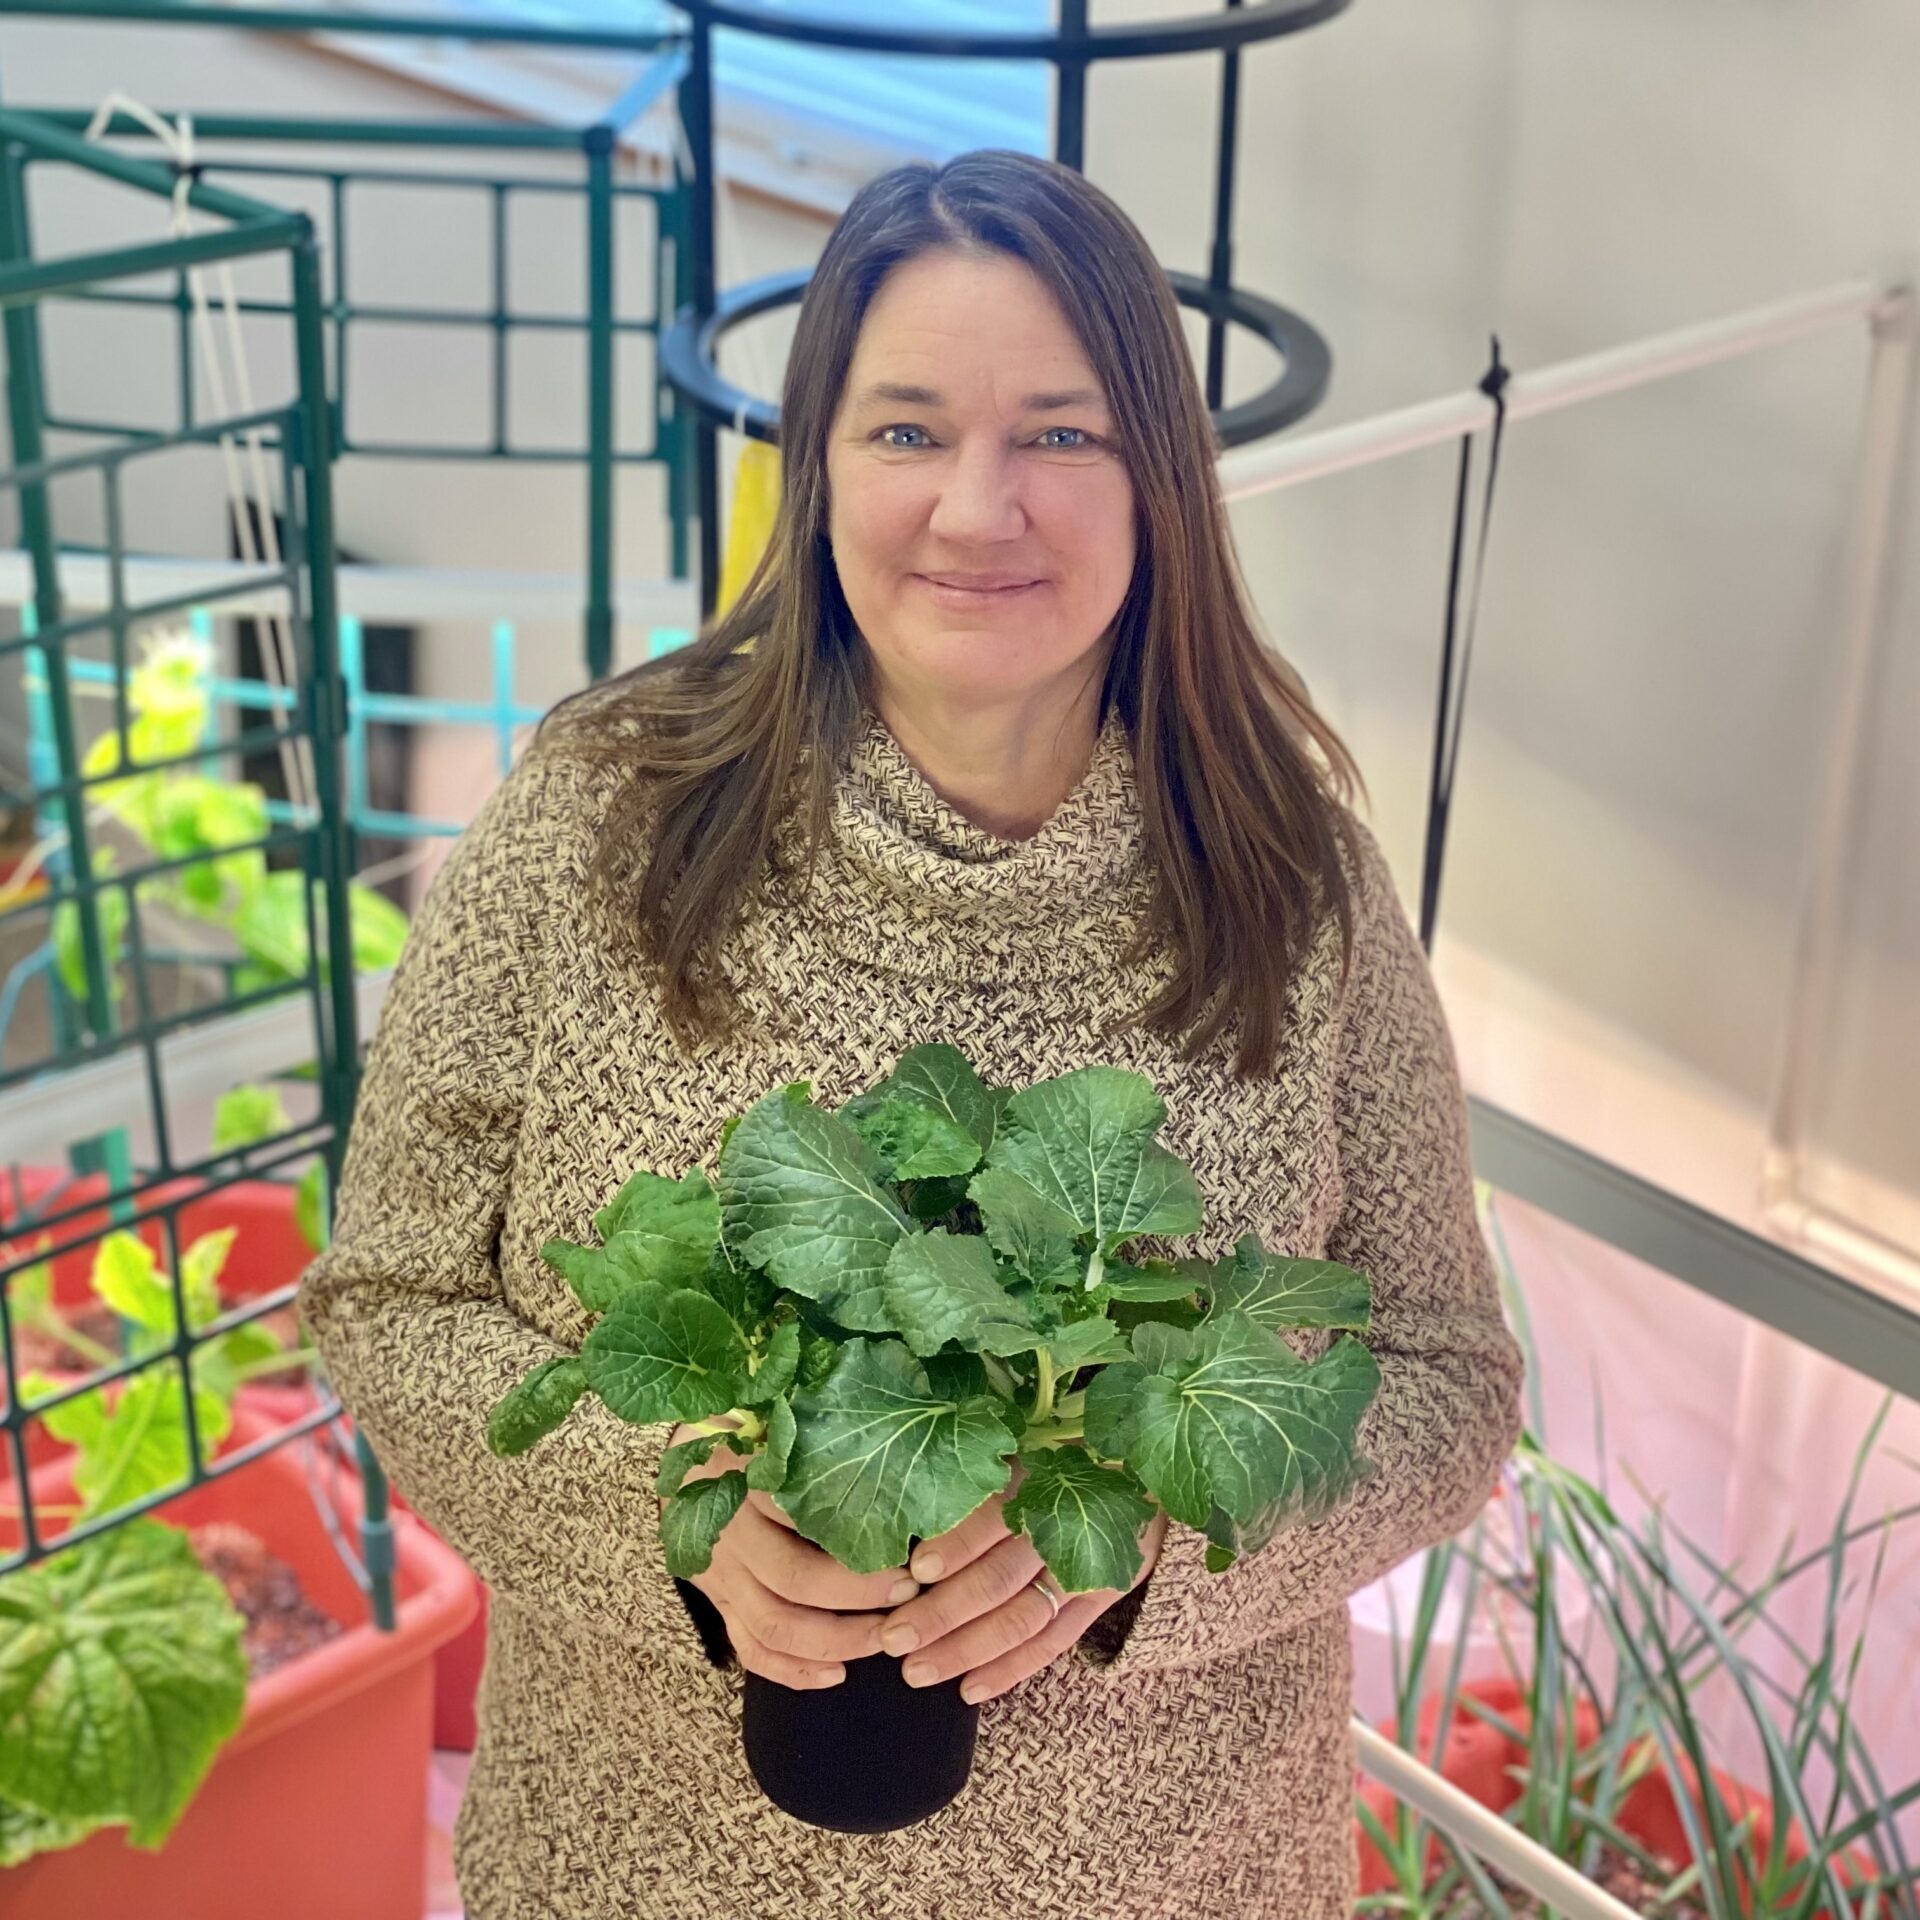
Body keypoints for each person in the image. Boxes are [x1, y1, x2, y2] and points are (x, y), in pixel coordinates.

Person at [299, 147, 1526, 1920]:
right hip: (642, 1872)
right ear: (812, 467)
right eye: (904, 431)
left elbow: (1443, 1378)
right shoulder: (600, 816)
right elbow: (392, 1297)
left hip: (1178, 1876)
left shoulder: (1289, 873)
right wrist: (676, 1521)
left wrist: (1153, 1548)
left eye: (1060, 432)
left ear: (1159, 477)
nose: (979, 506)